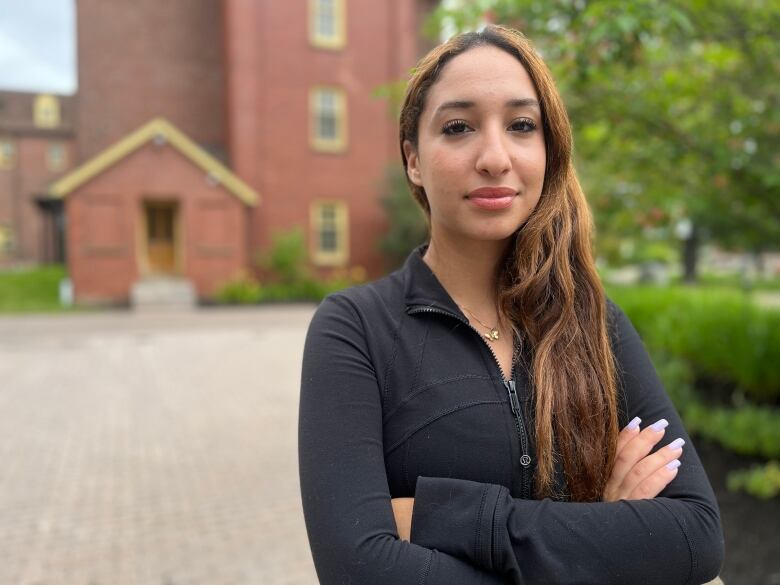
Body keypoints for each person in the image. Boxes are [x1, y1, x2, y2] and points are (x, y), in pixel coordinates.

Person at [298, 24, 724, 585]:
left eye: (522, 126)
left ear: (547, 151)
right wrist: (604, 535)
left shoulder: (593, 322)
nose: (495, 157)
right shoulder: (354, 329)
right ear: (413, 161)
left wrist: (441, 517)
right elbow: (358, 569)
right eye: (458, 127)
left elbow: (694, 536)